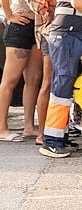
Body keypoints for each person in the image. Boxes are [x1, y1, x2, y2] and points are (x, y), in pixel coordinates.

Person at [0, 0, 42, 143]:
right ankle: (1, 129)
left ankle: (29, 127)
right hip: (19, 27)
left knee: (34, 79)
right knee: (10, 80)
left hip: (38, 26)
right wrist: (9, 15)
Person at [41, 0, 82, 157]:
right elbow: (78, 4)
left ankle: (60, 137)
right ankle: (51, 141)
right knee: (62, 91)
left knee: (66, 89)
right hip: (67, 35)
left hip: (70, 34)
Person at [27, 0, 57, 146]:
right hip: (50, 32)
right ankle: (42, 133)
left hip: (69, 31)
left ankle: (58, 131)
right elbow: (38, 6)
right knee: (48, 82)